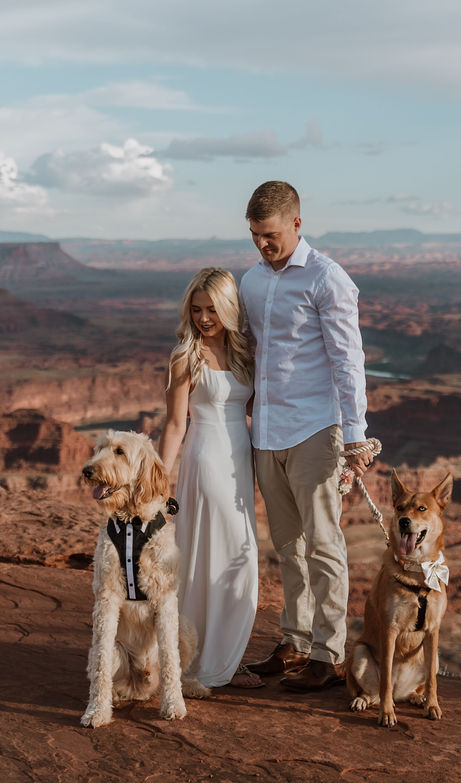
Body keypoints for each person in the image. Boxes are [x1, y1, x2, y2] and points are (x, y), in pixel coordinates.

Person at [240, 181, 375, 692]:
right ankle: (295, 642)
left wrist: (356, 438)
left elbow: (348, 360)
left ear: (297, 224)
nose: (261, 245)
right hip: (267, 432)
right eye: (254, 235)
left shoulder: (328, 280)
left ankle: (329, 653)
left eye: (269, 234)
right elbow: (250, 350)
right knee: (287, 546)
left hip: (317, 429)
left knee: (323, 544)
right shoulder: (251, 282)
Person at [158, 267, 263, 689]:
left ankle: (219, 657)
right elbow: (174, 425)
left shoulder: (244, 355)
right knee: (222, 558)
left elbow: (258, 408)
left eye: (213, 309)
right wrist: (158, 486)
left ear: (229, 309)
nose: (204, 318)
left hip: (241, 462)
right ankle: (207, 663)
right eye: (197, 309)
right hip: (205, 461)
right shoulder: (186, 356)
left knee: (232, 559)